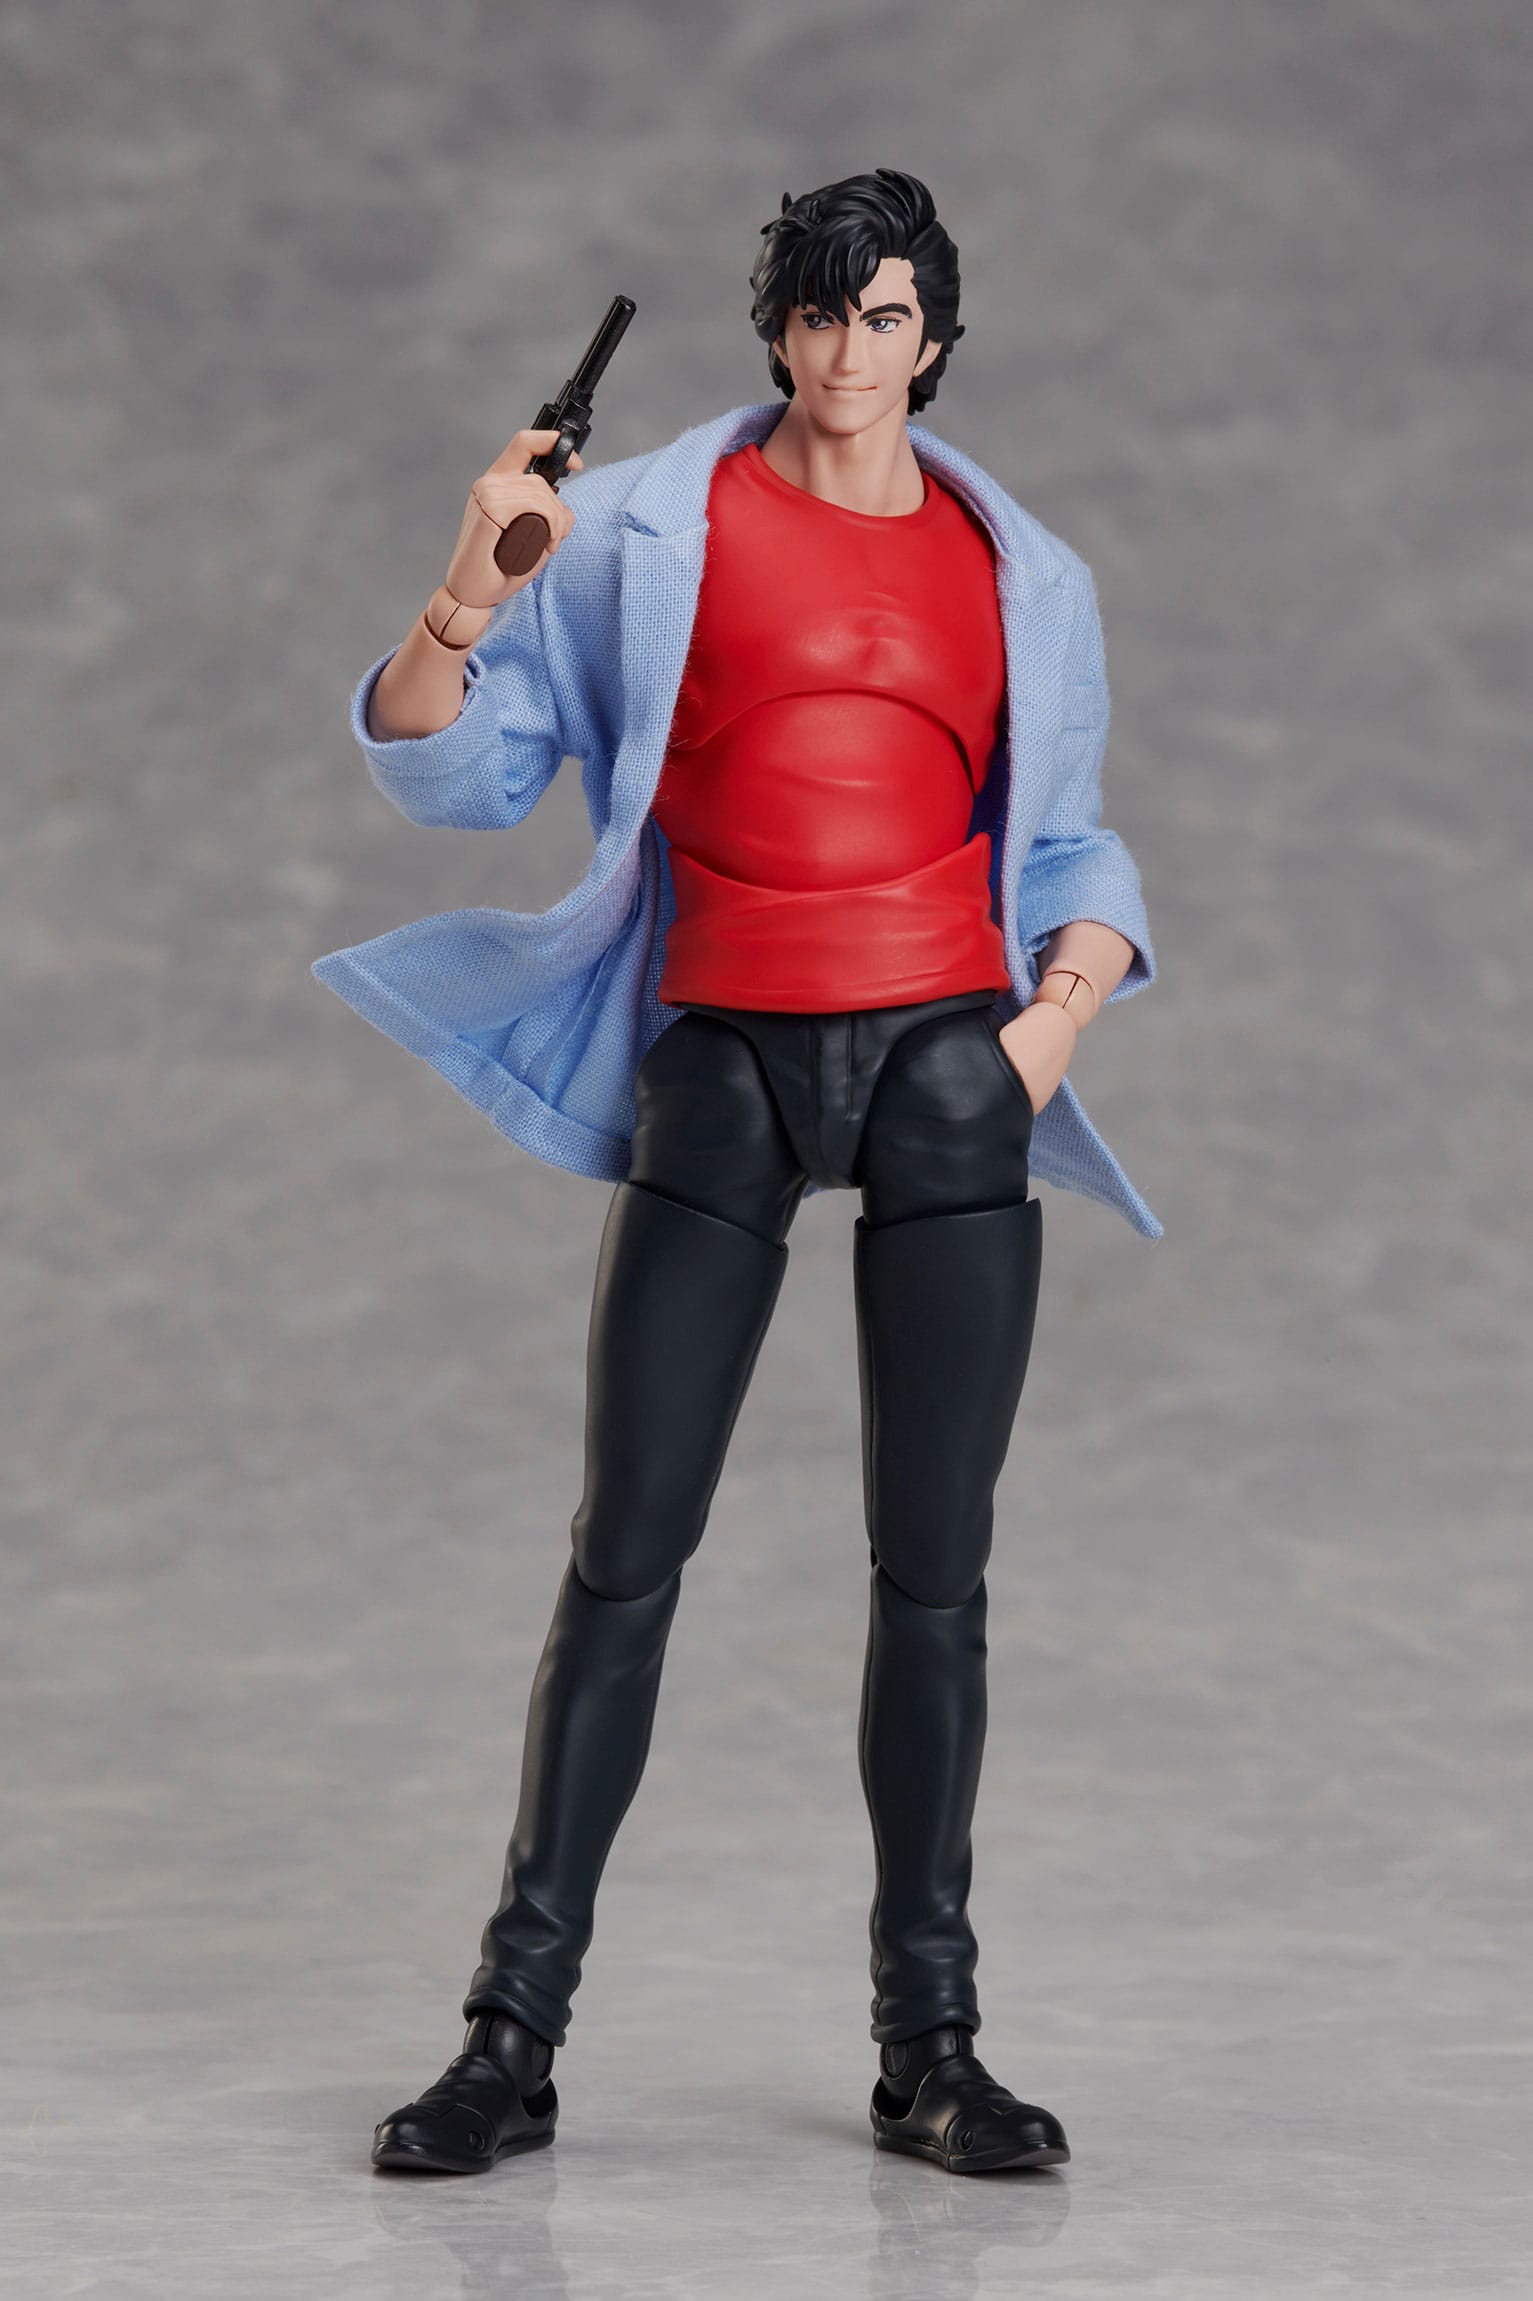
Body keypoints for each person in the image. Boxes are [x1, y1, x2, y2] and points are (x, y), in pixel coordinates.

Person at [315, 167, 1157, 2177]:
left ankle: (930, 2040)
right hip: (723, 1060)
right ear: (773, 327)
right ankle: (508, 2037)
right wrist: (467, 586)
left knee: (933, 1570)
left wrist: (1054, 1016)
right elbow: (450, 770)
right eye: (817, 312)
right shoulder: (634, 529)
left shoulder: (1019, 569)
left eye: (885, 316)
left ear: (933, 339)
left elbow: (1066, 839)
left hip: (948, 1063)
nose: (848, 350)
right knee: (625, 1546)